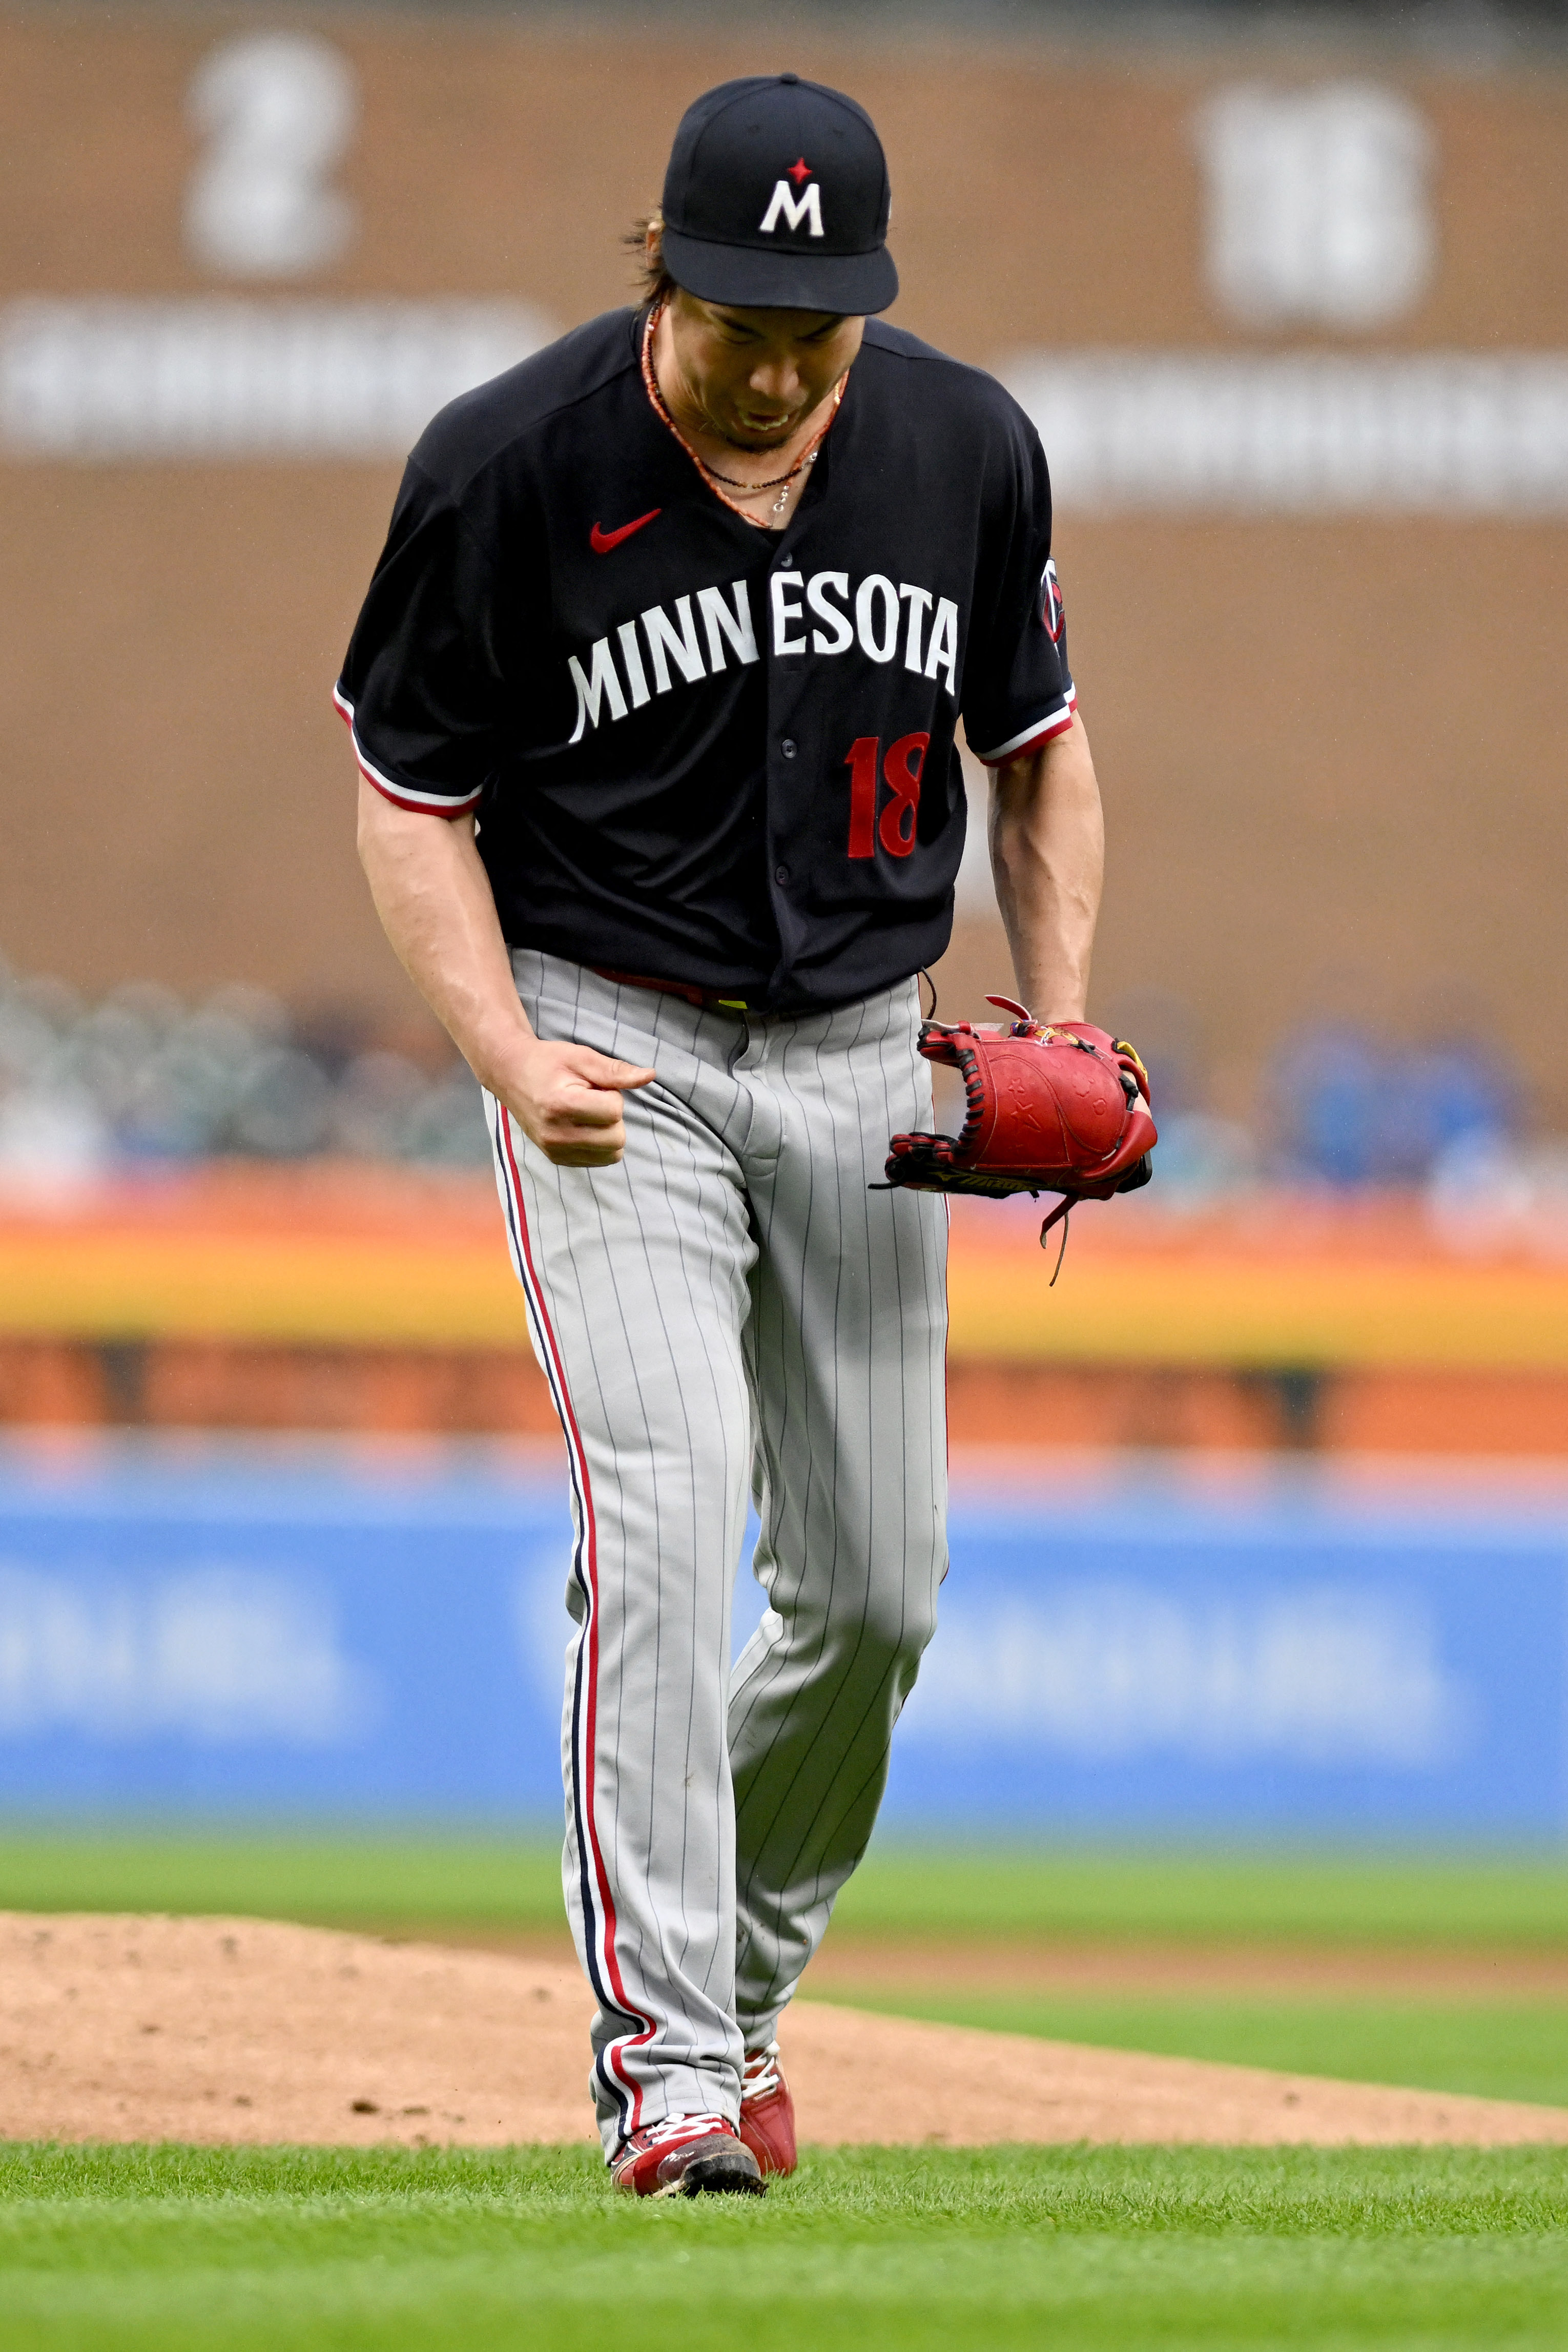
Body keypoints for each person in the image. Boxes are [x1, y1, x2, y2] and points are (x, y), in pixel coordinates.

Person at [338, 72, 1104, 2198]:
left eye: (820, 327)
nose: (778, 366)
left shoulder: (960, 446)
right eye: (741, 318)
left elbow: (1037, 757)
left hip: (866, 1052)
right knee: (668, 1536)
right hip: (614, 1052)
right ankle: (673, 2066)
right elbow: (413, 798)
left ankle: (740, 1986)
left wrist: (1051, 1009)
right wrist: (499, 1044)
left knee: (874, 1588)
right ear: (658, 270)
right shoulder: (507, 464)